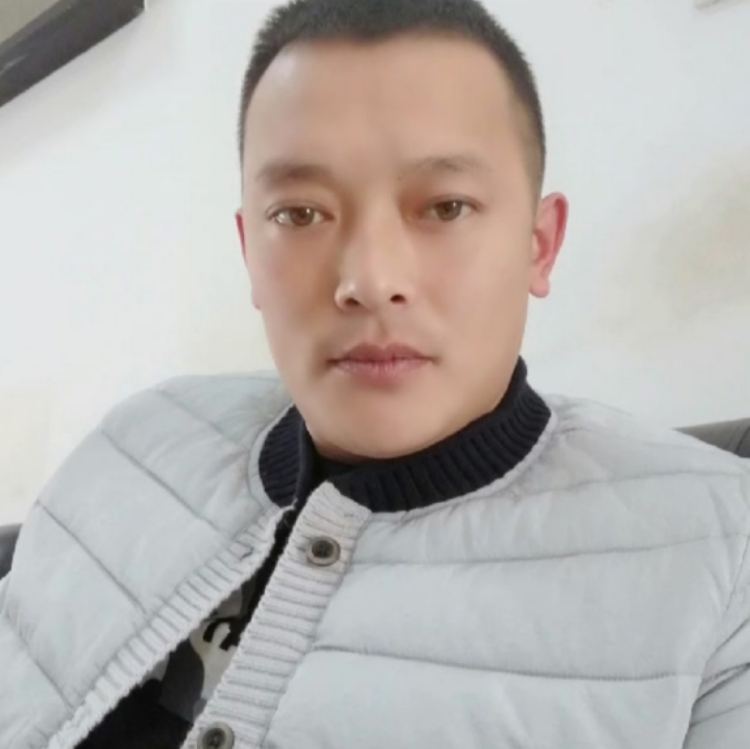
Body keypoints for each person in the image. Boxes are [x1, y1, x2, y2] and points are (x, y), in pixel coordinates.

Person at [1, 0, 749, 747]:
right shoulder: (135, 438)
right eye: (299, 214)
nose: (369, 280)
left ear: (539, 245)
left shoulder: (722, 556)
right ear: (250, 251)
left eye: (446, 207)